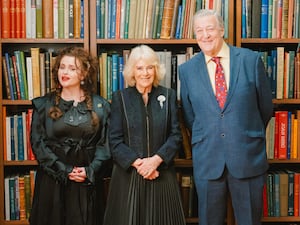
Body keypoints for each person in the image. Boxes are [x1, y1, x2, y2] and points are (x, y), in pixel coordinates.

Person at [179, 9, 273, 225]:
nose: (205, 35)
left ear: (222, 30)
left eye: (210, 29)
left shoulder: (250, 60)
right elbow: (190, 115)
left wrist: (243, 131)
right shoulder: (187, 70)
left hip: (247, 156)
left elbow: (265, 108)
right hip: (208, 160)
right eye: (199, 31)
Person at [103, 45, 185, 225]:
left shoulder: (168, 95)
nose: (145, 73)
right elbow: (114, 140)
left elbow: (175, 135)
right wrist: (141, 165)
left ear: (156, 69)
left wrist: (155, 161)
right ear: (132, 71)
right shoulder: (120, 98)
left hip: (161, 173)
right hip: (129, 176)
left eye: (149, 67)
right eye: (139, 68)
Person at [29, 46, 111, 225]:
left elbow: (106, 144)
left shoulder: (101, 106)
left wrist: (90, 171)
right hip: (53, 181)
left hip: (87, 182)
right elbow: (38, 143)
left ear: (84, 74)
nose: (64, 72)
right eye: (62, 67)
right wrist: (64, 170)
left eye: (72, 68)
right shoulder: (44, 104)